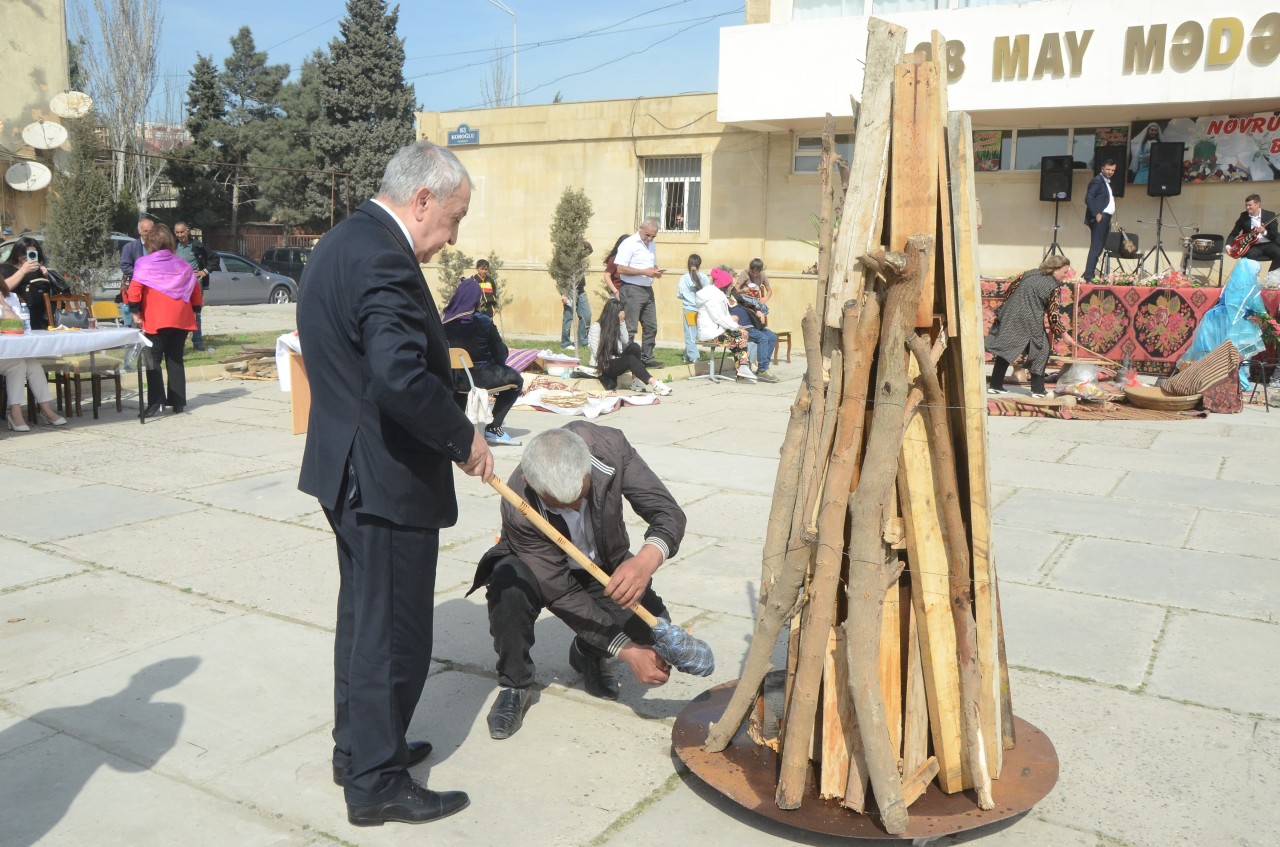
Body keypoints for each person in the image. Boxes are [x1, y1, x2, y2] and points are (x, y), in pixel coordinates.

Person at [296, 140, 491, 828]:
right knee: (394, 633)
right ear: (423, 199)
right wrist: (464, 436)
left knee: (363, 623)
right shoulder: (383, 255)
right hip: (384, 475)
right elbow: (399, 374)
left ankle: (360, 749)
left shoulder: (342, 241)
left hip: (349, 468)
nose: (454, 235)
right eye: (455, 218)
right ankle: (376, 781)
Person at [470, 422, 684, 739]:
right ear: (530, 482)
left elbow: (666, 512)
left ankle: (588, 653)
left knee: (652, 634)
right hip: (538, 567)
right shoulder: (517, 501)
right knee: (508, 586)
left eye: (580, 495)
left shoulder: (609, 448)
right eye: (558, 503)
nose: (572, 507)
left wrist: (644, 562)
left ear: (586, 468)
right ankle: (514, 683)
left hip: (602, 560)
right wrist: (626, 651)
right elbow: (560, 590)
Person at [124, 223, 202, 417]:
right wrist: (195, 309)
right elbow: (195, 290)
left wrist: (135, 310)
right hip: (181, 318)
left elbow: (134, 291)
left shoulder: (144, 263)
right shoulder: (182, 264)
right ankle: (177, 403)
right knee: (175, 359)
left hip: (156, 319)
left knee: (153, 360)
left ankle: (155, 402)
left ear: (150, 243)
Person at [443, 280, 524, 446]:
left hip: (455, 379)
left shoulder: (444, 322)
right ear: (476, 299)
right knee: (517, 380)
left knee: (461, 389)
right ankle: (493, 427)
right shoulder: (483, 322)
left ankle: (458, 430)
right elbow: (500, 355)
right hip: (482, 377)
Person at [985, 255, 1077, 398]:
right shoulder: (1053, 287)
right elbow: (1054, 315)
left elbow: (1010, 289)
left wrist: (1009, 308)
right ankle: (1038, 391)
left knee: (1005, 349)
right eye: (1064, 272)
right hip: (1029, 321)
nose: (1066, 276)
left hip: (1010, 315)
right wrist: (1065, 336)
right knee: (1041, 350)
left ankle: (995, 385)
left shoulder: (1029, 274)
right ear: (1054, 270)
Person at [1179, 257, 1267, 389]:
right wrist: (1268, 322)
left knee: (1210, 351)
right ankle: (1236, 381)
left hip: (1213, 319)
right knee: (1238, 353)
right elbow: (1259, 310)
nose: (1258, 275)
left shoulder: (1230, 284)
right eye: (1257, 272)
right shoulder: (1252, 287)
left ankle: (1203, 380)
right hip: (1236, 324)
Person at [0, 279, 66, 431]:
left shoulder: (11, 298)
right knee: (17, 365)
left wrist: (3, 304)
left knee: (33, 364)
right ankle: (15, 412)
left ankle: (45, 409)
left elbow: (19, 324)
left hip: (12, 351)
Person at [586, 298, 671, 396]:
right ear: (613, 313)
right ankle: (655, 384)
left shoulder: (616, 325)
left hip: (614, 360)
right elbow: (597, 353)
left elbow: (626, 341)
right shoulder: (596, 327)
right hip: (603, 365)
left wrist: (622, 323)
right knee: (629, 359)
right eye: (619, 313)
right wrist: (617, 359)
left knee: (634, 346)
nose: (621, 315)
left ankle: (635, 382)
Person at [614, 218, 664, 367]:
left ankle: (647, 358)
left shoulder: (651, 244)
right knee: (630, 327)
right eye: (647, 235)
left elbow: (651, 264)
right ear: (640, 229)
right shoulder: (629, 243)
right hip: (631, 288)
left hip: (647, 289)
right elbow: (620, 269)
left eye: (653, 236)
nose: (649, 239)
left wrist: (655, 271)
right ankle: (626, 360)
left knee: (651, 325)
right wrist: (644, 271)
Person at [697, 267, 754, 382]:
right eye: (730, 285)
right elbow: (719, 318)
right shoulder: (712, 298)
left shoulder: (718, 295)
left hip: (717, 330)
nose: (732, 287)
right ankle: (743, 369)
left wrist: (738, 327)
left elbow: (726, 316)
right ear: (723, 286)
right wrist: (737, 328)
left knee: (739, 337)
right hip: (710, 334)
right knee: (739, 339)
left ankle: (742, 372)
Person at [1, 237, 67, 331]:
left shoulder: (38, 269)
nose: (28, 256)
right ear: (17, 253)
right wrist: (22, 271)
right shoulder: (5, 268)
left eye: (33, 253)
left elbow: (49, 293)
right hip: (18, 317)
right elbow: (3, 288)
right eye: (25, 253)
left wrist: (46, 277)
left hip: (42, 319)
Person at [172, 222, 211, 350]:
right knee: (178, 313)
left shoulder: (198, 246)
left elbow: (214, 258)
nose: (179, 235)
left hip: (194, 284)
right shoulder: (172, 246)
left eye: (182, 232)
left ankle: (198, 342)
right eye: (177, 232)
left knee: (196, 314)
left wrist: (204, 272)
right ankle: (178, 343)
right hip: (177, 286)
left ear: (187, 231)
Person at [729, 292, 779, 383]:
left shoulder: (735, 295)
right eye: (729, 285)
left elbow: (749, 304)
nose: (731, 286)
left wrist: (757, 310)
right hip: (743, 327)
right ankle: (763, 370)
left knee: (772, 337)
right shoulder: (721, 297)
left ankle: (763, 368)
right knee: (763, 338)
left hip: (754, 325)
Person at [1082, 159, 1118, 282]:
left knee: (1099, 247)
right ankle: (1089, 276)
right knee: (1096, 247)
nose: (1110, 172)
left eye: (1113, 170)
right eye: (1108, 169)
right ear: (1102, 168)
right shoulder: (1097, 181)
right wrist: (1096, 213)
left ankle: (1089, 274)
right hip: (1100, 217)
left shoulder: (1105, 182)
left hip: (1106, 217)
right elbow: (1088, 198)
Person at [1227, 194, 1280, 272]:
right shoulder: (1244, 216)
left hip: (1269, 244)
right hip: (1253, 246)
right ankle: (1251, 279)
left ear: (1258, 204)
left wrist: (1264, 232)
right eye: (1246, 205)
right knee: (1248, 257)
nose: (1247, 207)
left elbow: (1274, 234)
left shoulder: (1270, 215)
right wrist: (1228, 246)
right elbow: (1234, 233)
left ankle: (1271, 278)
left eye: (1250, 205)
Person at [118, 217, 154, 327]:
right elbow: (125, 266)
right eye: (145, 231)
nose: (148, 234)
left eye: (150, 231)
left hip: (155, 287)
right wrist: (142, 275)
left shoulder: (158, 246)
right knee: (136, 316)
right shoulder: (130, 247)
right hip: (138, 287)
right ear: (139, 231)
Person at [560, 240, 592, 350]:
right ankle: (565, 343)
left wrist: (578, 238)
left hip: (581, 289)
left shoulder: (580, 259)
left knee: (586, 315)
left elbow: (590, 248)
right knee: (568, 317)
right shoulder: (566, 260)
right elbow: (561, 277)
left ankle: (583, 341)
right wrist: (563, 293)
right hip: (570, 290)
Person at [676, 254, 708, 364]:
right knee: (694, 335)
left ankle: (694, 358)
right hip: (700, 311)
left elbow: (680, 295)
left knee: (690, 334)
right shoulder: (704, 277)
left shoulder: (684, 278)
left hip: (689, 310)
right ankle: (687, 356)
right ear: (699, 265)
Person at [601, 234, 628, 299]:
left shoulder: (631, 259)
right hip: (618, 293)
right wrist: (616, 292)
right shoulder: (614, 259)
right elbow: (607, 276)